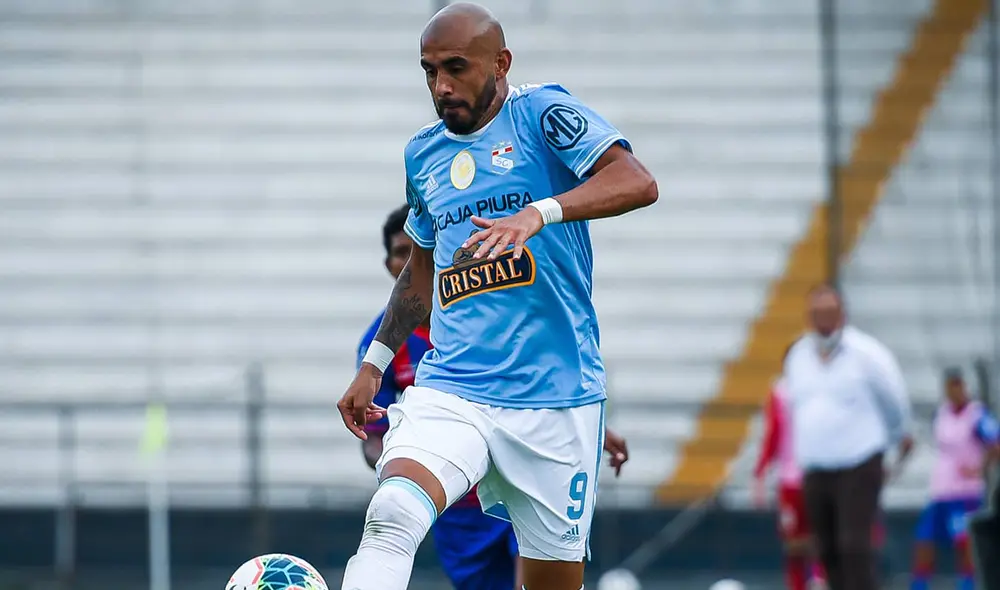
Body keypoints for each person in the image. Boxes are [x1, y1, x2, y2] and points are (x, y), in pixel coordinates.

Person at [338, 2, 657, 586]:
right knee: (393, 514)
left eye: (456, 67)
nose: (441, 86)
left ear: (501, 63)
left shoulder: (542, 114)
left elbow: (637, 181)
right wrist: (373, 364)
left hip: (556, 400)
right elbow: (420, 270)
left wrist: (538, 213)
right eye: (430, 71)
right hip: (455, 386)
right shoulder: (423, 154)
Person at [356, 205, 631, 590]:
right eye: (401, 253)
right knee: (395, 513)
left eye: (417, 249)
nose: (411, 260)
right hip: (458, 506)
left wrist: (587, 430)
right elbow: (373, 436)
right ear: (391, 266)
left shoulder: (484, 317)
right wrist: (404, 455)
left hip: (521, 468)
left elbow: (518, 387)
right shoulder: (383, 343)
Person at [783, 284, 913, 590]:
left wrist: (896, 439)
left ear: (842, 315)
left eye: (829, 313)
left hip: (858, 461)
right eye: (817, 313)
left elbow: (894, 401)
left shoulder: (867, 354)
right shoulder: (798, 356)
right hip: (816, 466)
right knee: (826, 548)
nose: (823, 321)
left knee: (854, 545)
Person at [911, 368, 1000, 590]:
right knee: (924, 537)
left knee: (963, 541)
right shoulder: (942, 414)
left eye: (958, 385)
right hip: (941, 490)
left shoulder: (976, 415)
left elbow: (995, 445)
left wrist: (978, 469)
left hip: (965, 493)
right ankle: (920, 584)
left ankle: (968, 584)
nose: (955, 391)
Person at [752, 345, 826, 590]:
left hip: (813, 477)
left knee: (810, 539)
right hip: (794, 478)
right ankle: (808, 582)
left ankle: (817, 580)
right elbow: (773, 435)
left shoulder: (818, 388)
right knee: (797, 543)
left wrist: (760, 472)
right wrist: (761, 471)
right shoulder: (781, 391)